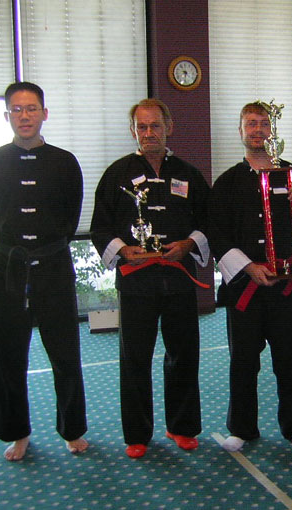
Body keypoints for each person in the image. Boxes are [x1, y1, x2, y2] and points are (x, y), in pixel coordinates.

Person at [0, 81, 88, 461]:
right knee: (8, 356)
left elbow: (71, 218)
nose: (25, 116)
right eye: (17, 110)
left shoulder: (65, 162)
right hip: (9, 268)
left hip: (53, 266)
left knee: (65, 354)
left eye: (32, 108)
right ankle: (17, 432)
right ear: (7, 115)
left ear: (44, 113)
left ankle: (72, 429)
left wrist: (45, 248)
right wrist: (12, 250)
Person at [90, 98, 210, 458]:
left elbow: (209, 221)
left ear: (168, 127)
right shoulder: (117, 175)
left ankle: (181, 426)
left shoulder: (189, 174)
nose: (148, 133)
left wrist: (188, 243)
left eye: (155, 125)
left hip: (179, 278)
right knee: (135, 358)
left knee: (183, 354)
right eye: (141, 126)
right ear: (133, 131)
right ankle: (137, 433)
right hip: (136, 281)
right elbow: (100, 227)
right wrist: (124, 250)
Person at [208, 102, 292, 452]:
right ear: (241, 131)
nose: (258, 130)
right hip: (245, 284)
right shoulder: (227, 182)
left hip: (288, 283)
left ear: (272, 130)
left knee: (290, 357)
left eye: (264, 123)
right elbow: (217, 233)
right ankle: (241, 427)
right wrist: (248, 267)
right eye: (251, 124)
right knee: (243, 359)